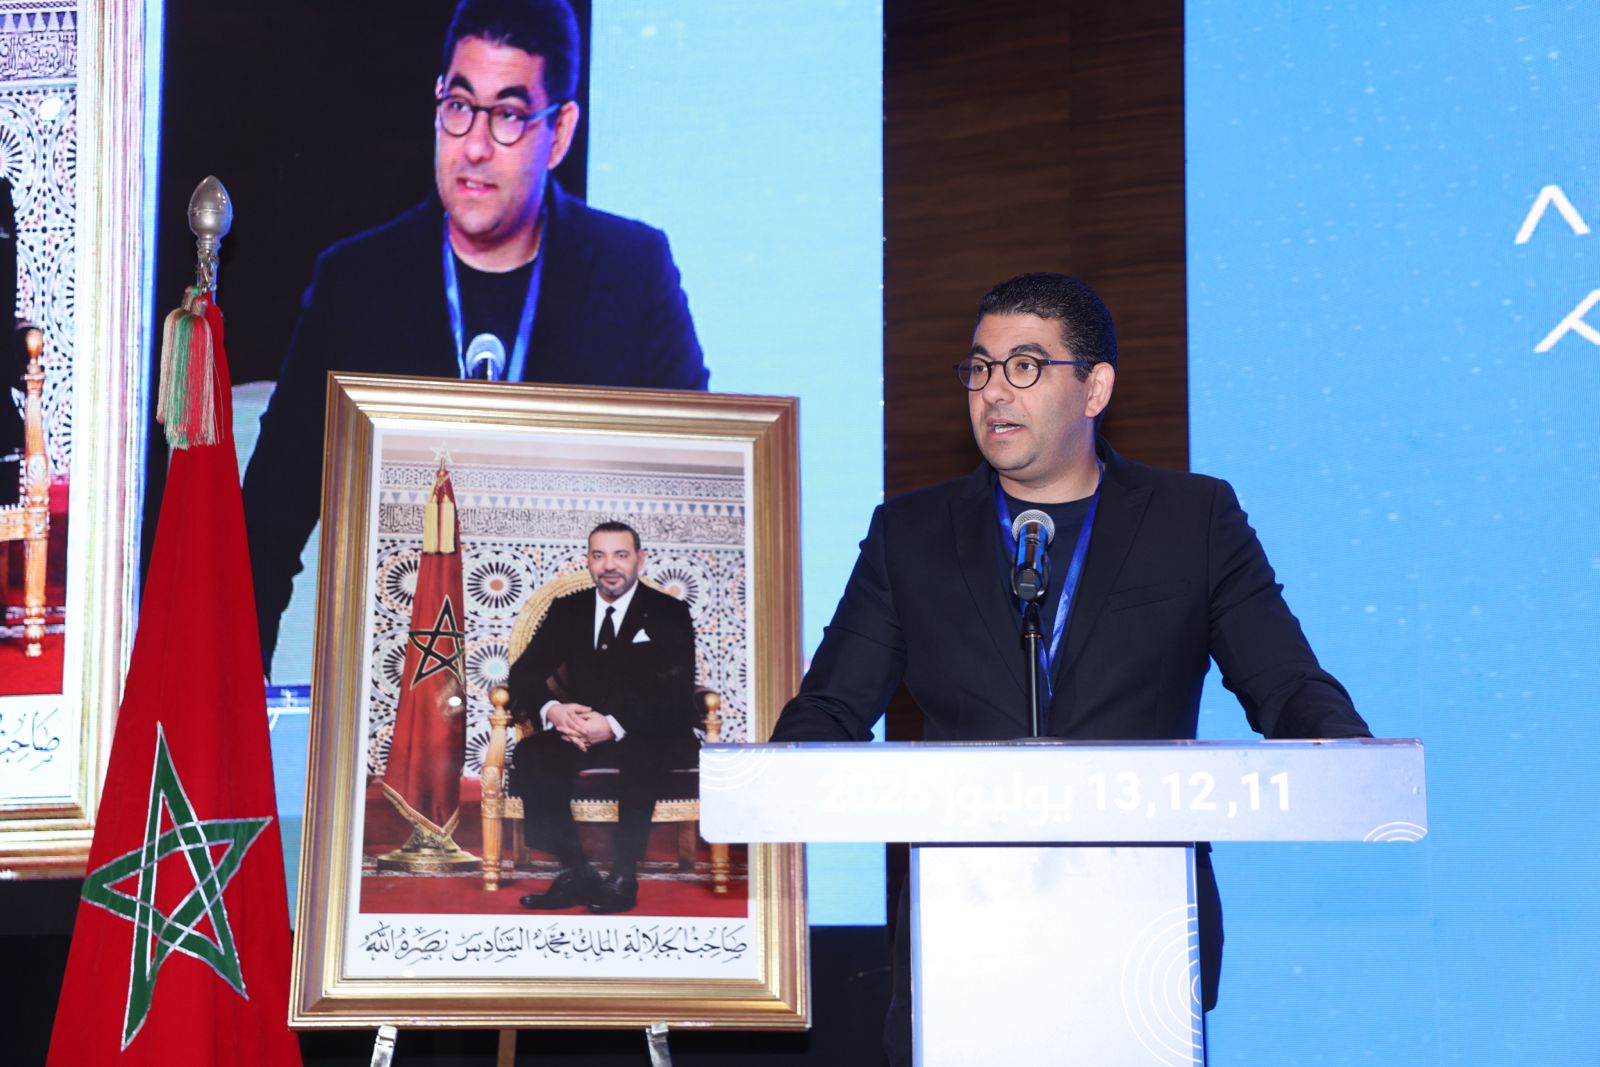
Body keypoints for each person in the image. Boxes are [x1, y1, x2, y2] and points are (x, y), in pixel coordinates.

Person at [769, 272, 1372, 1064]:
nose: (993, 391)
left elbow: (1287, 685)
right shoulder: (909, 535)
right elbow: (831, 710)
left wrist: (1351, 758)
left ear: (1095, 388)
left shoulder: (1193, 521)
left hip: (1142, 944)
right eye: (979, 367)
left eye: (1024, 366)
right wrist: (771, 777)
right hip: (961, 946)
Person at [241, 0, 709, 676]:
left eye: (509, 115)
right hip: (398, 691)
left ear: (559, 132)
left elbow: (695, 515)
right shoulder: (357, 283)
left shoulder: (631, 274)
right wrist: (234, 717)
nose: (476, 146)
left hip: (585, 692)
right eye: (459, 106)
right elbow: (264, 531)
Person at [506, 521, 698, 914]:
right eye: (599, 555)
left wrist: (612, 725)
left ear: (640, 559)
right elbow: (523, 674)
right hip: (581, 730)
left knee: (642, 754)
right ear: (589, 561)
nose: (609, 565)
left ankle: (623, 875)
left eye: (620, 555)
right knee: (533, 754)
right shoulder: (569, 609)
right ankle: (576, 871)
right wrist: (555, 711)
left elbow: (675, 691)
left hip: (651, 729)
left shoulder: (670, 612)